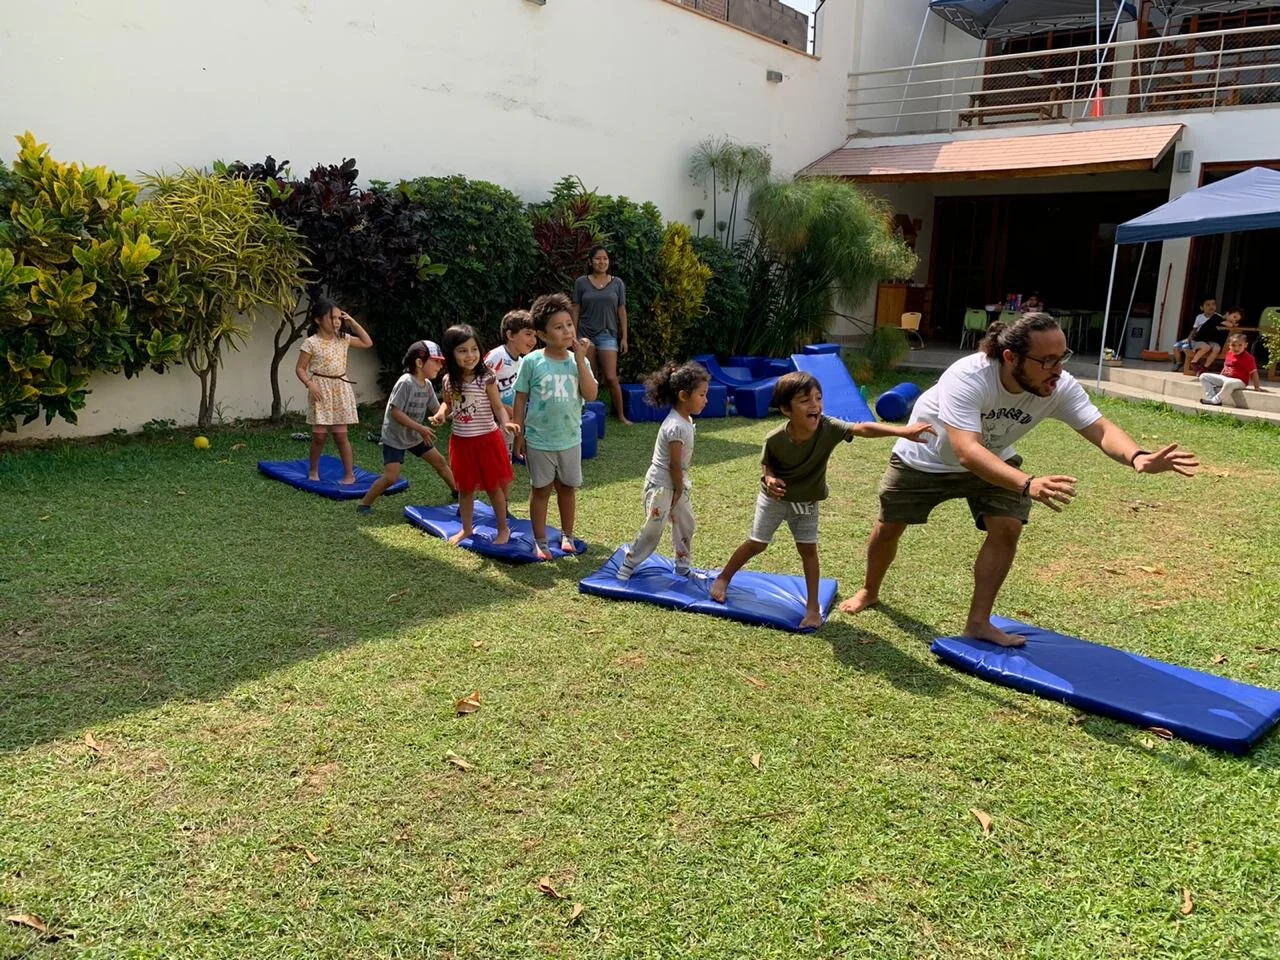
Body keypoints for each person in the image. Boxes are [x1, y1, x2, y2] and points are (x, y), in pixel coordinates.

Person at [841, 313, 1199, 647]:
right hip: (925, 459)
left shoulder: (1058, 386)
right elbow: (967, 451)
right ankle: (870, 590)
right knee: (889, 528)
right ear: (1011, 358)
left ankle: (978, 622)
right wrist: (1028, 483)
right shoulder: (969, 377)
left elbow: (1100, 428)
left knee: (1008, 527)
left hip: (994, 458)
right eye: (1047, 361)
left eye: (1062, 357)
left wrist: (1137, 456)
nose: (1058, 370)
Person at [709, 372, 936, 631]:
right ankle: (724, 577)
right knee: (757, 544)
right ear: (786, 410)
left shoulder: (829, 427)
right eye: (805, 400)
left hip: (806, 502)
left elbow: (862, 428)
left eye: (818, 398)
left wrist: (902, 431)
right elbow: (767, 463)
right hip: (775, 499)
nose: (815, 405)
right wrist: (769, 479)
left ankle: (811, 608)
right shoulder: (775, 438)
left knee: (808, 551)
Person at [513, 292, 599, 560]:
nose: (567, 331)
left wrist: (581, 359)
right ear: (542, 334)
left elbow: (591, 394)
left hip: (570, 438)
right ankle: (540, 541)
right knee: (540, 490)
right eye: (558, 327)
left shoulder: (578, 361)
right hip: (539, 439)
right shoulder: (532, 362)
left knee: (567, 488)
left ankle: (567, 535)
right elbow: (520, 398)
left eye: (569, 325)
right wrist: (519, 434)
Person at [618, 362, 711, 580]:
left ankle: (682, 566)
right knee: (654, 528)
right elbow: (674, 464)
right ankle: (629, 564)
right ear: (683, 396)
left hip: (678, 484)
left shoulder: (686, 420)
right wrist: (678, 489)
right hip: (662, 485)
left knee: (686, 523)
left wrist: (680, 488)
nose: (706, 400)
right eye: (702, 395)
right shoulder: (675, 426)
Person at [431, 325, 520, 546]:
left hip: (487, 440)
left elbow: (498, 406)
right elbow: (448, 403)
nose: (470, 355)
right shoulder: (449, 380)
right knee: (465, 489)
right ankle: (466, 529)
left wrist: (506, 423)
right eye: (462, 350)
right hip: (461, 442)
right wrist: (441, 413)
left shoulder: (486, 378)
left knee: (493, 487)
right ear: (451, 353)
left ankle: (503, 528)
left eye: (474, 349)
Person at [357, 340, 457, 514]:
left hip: (416, 436)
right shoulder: (406, 382)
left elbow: (437, 408)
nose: (440, 366)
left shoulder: (427, 385)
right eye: (436, 361)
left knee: (440, 462)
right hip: (395, 437)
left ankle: (457, 491)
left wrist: (441, 415)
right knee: (391, 477)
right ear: (419, 363)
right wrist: (421, 428)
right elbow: (396, 412)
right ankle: (364, 504)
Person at [295, 298, 374, 484]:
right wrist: (309, 383)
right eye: (332, 318)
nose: (337, 321)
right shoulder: (311, 343)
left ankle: (349, 475)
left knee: (341, 435)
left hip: (340, 388)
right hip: (320, 389)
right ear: (318, 320)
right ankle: (313, 470)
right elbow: (300, 368)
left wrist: (352, 322)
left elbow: (367, 342)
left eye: (339, 318)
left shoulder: (343, 338)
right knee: (319, 435)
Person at [572, 245, 630, 425]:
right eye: (598, 258)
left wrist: (624, 337)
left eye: (605, 258)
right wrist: (572, 335)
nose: (602, 262)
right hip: (585, 335)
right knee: (590, 376)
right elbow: (575, 309)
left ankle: (621, 415)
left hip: (608, 334)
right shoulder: (581, 283)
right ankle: (590, 416)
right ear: (591, 261)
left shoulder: (617, 283)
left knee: (611, 378)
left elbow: (622, 310)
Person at [485, 308, 537, 479]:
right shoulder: (497, 356)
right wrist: (502, 409)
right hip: (493, 418)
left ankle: (513, 457)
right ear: (510, 335)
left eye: (535, 335)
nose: (533, 340)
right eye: (528, 334)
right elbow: (479, 386)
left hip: (509, 418)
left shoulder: (521, 361)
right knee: (494, 460)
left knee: (504, 461)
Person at [1200, 331, 1266, 406]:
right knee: (1203, 376)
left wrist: (1256, 387)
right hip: (1225, 378)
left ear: (1245, 345)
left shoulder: (1248, 358)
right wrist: (1220, 378)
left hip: (1239, 381)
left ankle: (1216, 400)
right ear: (1229, 345)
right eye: (1233, 345)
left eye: (1240, 345)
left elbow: (1254, 373)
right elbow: (1226, 367)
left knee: (1229, 383)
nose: (1236, 348)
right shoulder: (1229, 353)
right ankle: (1211, 398)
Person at [1172, 297, 1220, 372]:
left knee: (1190, 347)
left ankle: (1198, 366)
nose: (1211, 306)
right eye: (1208, 305)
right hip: (1196, 339)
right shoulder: (1199, 317)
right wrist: (1189, 338)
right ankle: (1179, 362)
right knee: (1176, 347)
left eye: (1213, 304)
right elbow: (1194, 329)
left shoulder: (1218, 317)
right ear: (1202, 307)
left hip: (1207, 340)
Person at [1188, 306, 1239, 375]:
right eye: (1234, 317)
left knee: (1217, 348)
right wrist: (1233, 324)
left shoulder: (1224, 324)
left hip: (1209, 341)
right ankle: (1194, 362)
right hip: (1197, 340)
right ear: (1227, 313)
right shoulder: (1216, 317)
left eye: (1236, 320)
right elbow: (1230, 324)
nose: (1234, 320)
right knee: (1206, 347)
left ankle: (1204, 368)